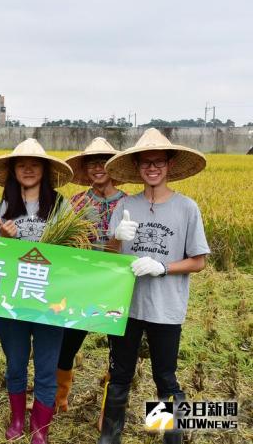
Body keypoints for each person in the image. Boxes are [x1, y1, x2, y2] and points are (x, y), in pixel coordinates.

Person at [98, 128, 209, 444]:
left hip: (166, 307)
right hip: (126, 305)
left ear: (169, 165)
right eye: (146, 162)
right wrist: (117, 235)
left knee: (165, 377)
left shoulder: (187, 208)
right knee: (120, 374)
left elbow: (198, 261)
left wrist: (163, 267)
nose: (152, 167)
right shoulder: (125, 205)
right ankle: (110, 436)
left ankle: (169, 436)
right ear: (137, 167)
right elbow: (109, 255)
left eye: (158, 161)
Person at [0, 138, 74, 444]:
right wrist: (2, 238)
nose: (28, 169)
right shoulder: (3, 205)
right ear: (13, 170)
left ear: (45, 170)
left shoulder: (62, 205)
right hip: (12, 298)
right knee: (15, 363)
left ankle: (40, 429)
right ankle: (17, 418)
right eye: (21, 164)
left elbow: (74, 252)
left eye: (34, 164)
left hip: (50, 300)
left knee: (47, 368)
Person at [55, 138, 127, 413]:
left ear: (113, 167)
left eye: (104, 162)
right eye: (92, 163)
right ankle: (60, 399)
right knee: (67, 343)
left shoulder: (128, 203)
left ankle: (109, 410)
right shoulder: (75, 202)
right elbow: (62, 244)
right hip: (81, 285)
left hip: (116, 286)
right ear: (85, 169)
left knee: (117, 350)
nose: (98, 168)